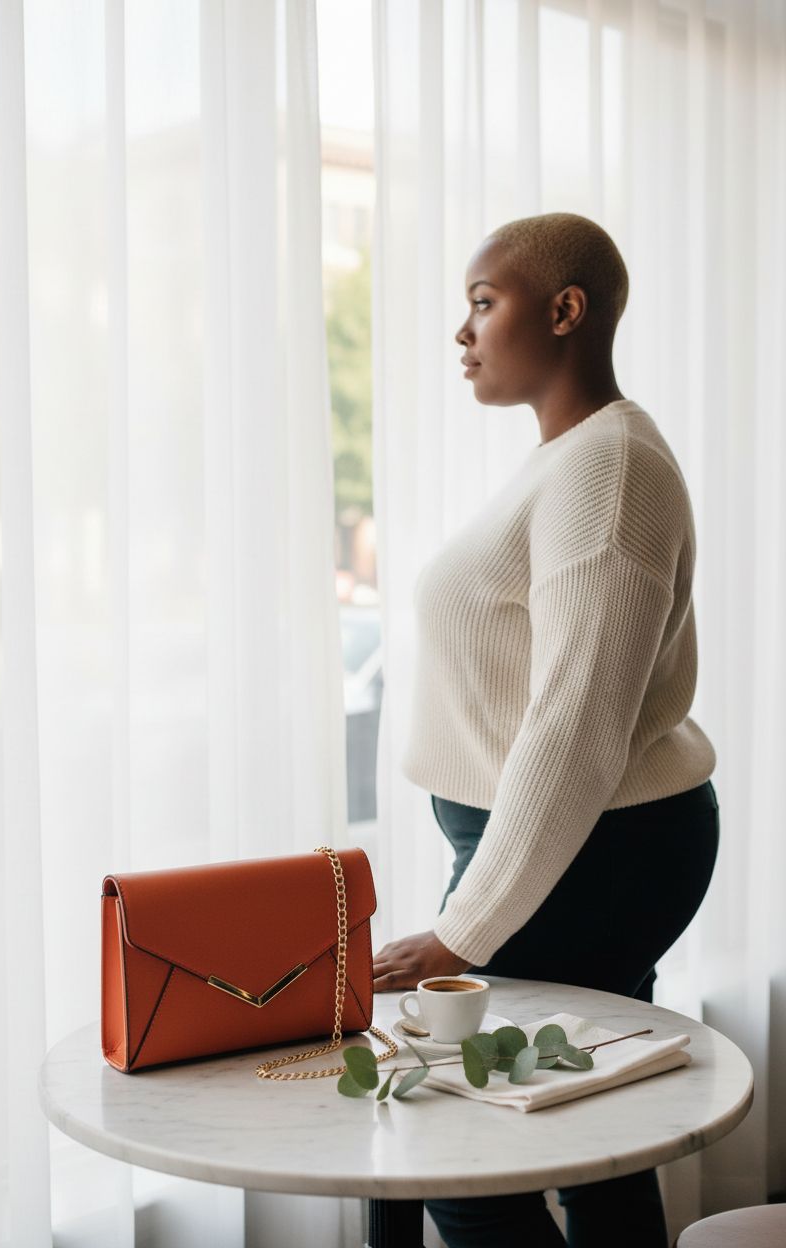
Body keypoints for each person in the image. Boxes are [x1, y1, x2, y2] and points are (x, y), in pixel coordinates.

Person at [371, 211, 719, 1248]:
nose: (462, 331)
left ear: (564, 310)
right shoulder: (570, 458)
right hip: (581, 844)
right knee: (583, 1124)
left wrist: (460, 932)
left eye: (484, 301)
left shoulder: (604, 474)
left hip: (589, 848)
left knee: (464, 1155)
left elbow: (573, 726)